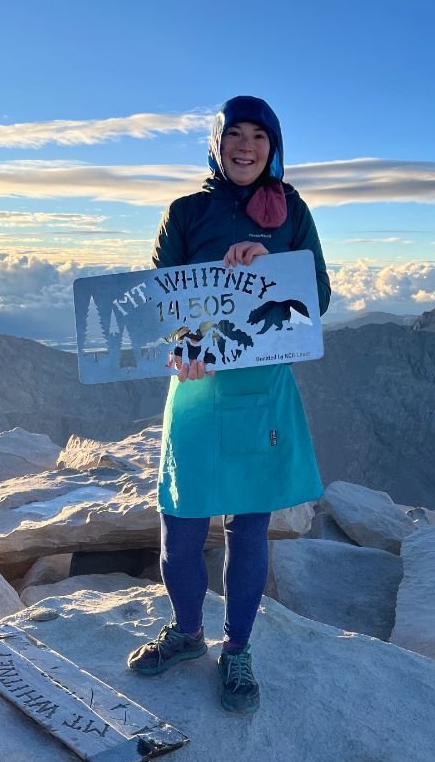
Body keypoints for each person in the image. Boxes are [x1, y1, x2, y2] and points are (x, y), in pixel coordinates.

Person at [126, 96, 331, 714]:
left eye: (258, 137)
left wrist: (272, 266)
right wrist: (178, 347)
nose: (245, 146)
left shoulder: (291, 210)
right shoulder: (185, 212)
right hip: (195, 386)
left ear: (273, 147)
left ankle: (236, 650)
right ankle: (187, 633)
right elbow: (160, 295)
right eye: (233, 135)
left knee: (249, 529)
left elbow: (316, 294)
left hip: (262, 388)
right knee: (180, 524)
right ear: (216, 144)